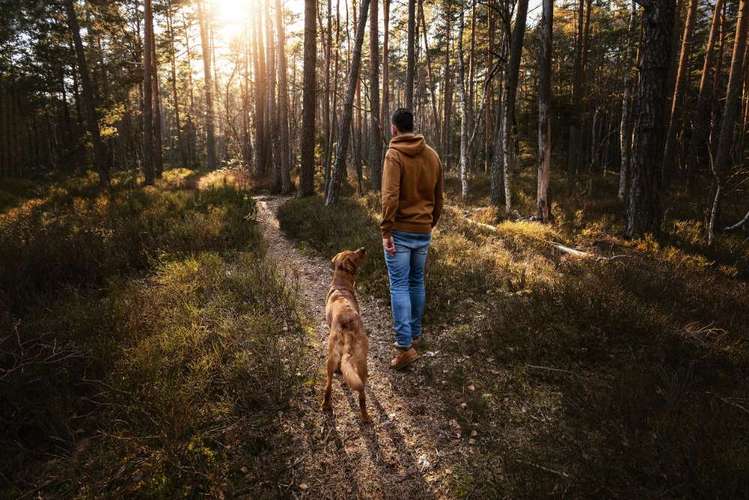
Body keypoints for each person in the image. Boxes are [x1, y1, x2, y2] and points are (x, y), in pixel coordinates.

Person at [381, 108, 443, 370]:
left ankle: (405, 347)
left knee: (399, 285)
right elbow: (439, 198)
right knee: (417, 281)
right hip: (423, 231)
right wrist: (430, 223)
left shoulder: (394, 155)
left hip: (401, 231)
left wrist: (386, 230)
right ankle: (415, 334)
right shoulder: (432, 155)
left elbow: (390, 197)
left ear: (394, 128)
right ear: (412, 127)